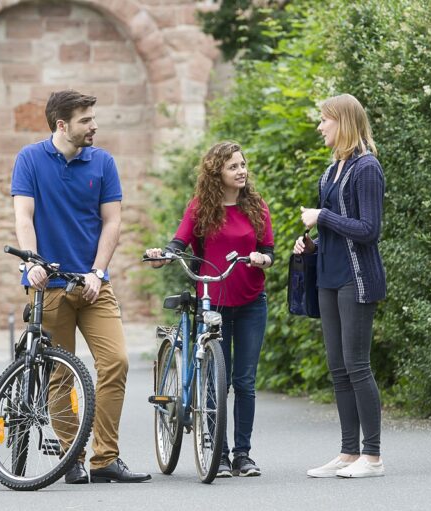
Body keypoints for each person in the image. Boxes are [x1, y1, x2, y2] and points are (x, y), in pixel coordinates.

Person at [10, 89, 150, 484]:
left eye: (93, 118)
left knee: (116, 361)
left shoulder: (103, 162)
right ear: (62, 125)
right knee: (60, 373)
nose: (94, 126)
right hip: (49, 284)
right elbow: (24, 216)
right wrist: (31, 262)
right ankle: (71, 457)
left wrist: (97, 271)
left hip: (92, 284)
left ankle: (105, 458)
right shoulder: (30, 159)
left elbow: (112, 222)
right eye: (86, 120)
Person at [145, 141, 275, 477]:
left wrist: (262, 259)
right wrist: (163, 256)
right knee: (218, 381)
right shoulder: (201, 208)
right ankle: (220, 455)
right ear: (217, 172)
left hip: (251, 303)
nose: (241, 171)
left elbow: (268, 250)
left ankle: (243, 454)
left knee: (245, 381)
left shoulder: (257, 206)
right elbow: (178, 243)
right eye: (233, 167)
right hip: (212, 302)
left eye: (243, 165)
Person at [294, 93, 386, 478]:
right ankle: (349, 453)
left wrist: (323, 217)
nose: (320, 126)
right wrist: (312, 244)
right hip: (328, 278)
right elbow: (336, 231)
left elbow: (369, 230)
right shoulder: (331, 170)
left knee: (357, 365)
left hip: (356, 278)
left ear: (343, 122)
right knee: (338, 368)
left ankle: (373, 457)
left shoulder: (367, 168)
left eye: (325, 120)